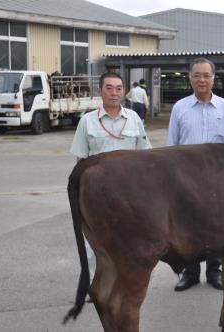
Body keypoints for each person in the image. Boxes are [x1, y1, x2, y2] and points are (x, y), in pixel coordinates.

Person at [70, 72, 152, 291]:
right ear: (100, 91)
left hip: (130, 195)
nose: (114, 93)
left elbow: (145, 155)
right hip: (98, 194)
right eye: (109, 88)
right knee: (93, 244)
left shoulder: (134, 118)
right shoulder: (87, 121)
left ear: (124, 92)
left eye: (118, 88)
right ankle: (92, 286)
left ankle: (124, 283)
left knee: (129, 241)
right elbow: (81, 161)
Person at [167, 57, 224, 292]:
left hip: (218, 178)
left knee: (216, 226)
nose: (202, 80)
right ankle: (190, 272)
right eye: (197, 75)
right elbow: (172, 147)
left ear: (213, 78)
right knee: (188, 227)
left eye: (206, 75)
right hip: (187, 179)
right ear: (190, 78)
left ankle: (214, 271)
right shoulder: (180, 108)